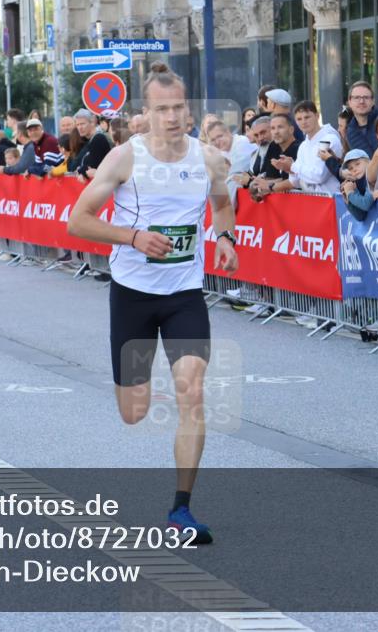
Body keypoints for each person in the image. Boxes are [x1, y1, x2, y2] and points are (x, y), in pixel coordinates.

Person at [67, 62, 238, 545]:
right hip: (133, 294)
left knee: (193, 391)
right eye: (162, 109)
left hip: (184, 294)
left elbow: (222, 204)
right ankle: (138, 387)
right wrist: (133, 237)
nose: (172, 117)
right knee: (134, 411)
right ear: (146, 113)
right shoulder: (124, 159)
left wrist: (225, 237)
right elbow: (78, 221)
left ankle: (181, 509)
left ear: (189, 109)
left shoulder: (209, 159)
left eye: (179, 107)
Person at [275, 99, 343, 195]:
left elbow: (319, 176)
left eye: (307, 117)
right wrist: (290, 169)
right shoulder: (303, 145)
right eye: (299, 119)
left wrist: (293, 166)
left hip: (333, 199)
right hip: (313, 199)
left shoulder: (330, 139)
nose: (303, 122)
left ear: (317, 116)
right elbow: (295, 182)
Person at [248, 114, 300, 200]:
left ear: (291, 129)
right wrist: (258, 183)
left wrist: (269, 185)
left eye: (280, 127)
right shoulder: (273, 146)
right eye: (273, 128)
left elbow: (294, 181)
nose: (276, 132)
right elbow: (270, 176)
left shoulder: (300, 148)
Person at [73, 108, 112, 180]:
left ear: (92, 123)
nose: (80, 127)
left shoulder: (98, 138)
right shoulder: (91, 139)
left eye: (82, 124)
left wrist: (80, 170)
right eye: (77, 125)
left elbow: (93, 166)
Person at [338, 149, 373, 220]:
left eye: (357, 164)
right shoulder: (358, 182)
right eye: (350, 168)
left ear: (369, 162)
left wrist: (350, 193)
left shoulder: (372, 176)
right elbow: (360, 216)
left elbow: (366, 204)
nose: (354, 169)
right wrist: (348, 200)